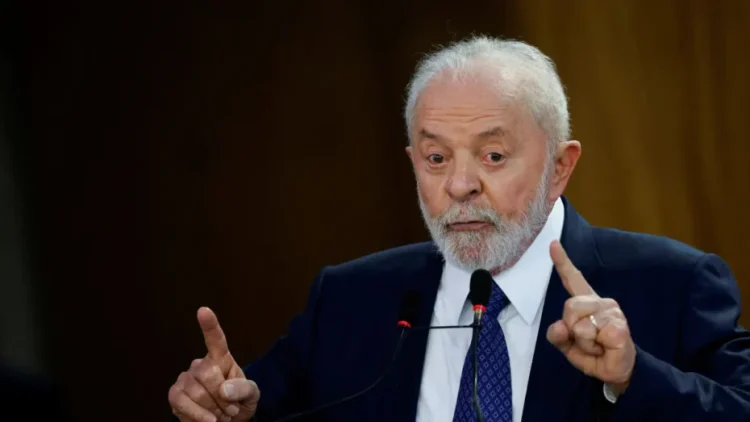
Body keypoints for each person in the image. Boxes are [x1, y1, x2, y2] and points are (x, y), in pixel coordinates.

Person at [167, 36, 750, 422]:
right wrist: (223, 408)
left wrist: (633, 376)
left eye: (493, 156)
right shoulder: (350, 299)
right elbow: (251, 403)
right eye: (437, 159)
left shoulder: (671, 285)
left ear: (561, 167)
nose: (460, 185)